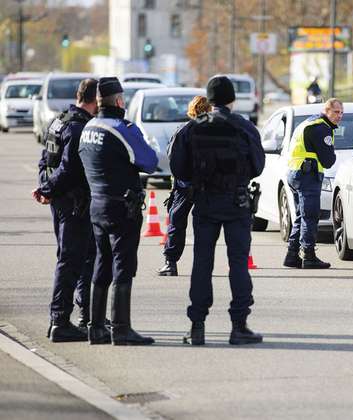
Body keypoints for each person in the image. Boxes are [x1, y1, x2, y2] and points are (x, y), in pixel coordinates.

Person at [169, 75, 265, 346]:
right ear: (232, 99)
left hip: (205, 201)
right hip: (237, 202)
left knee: (202, 264)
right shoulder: (244, 127)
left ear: (208, 100)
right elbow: (258, 167)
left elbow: (177, 168)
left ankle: (197, 327)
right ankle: (239, 326)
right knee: (238, 264)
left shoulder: (192, 128)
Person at [78, 77, 159, 345]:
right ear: (120, 101)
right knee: (123, 266)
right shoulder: (121, 128)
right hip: (122, 207)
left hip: (96, 205)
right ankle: (121, 329)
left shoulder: (89, 126)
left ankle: (96, 327)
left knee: (102, 265)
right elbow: (149, 162)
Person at [32, 78, 98, 342]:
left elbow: (44, 161)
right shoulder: (79, 126)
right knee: (71, 260)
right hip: (73, 203)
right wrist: (48, 190)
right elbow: (70, 169)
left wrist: (45, 188)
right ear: (96, 100)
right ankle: (60, 321)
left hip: (61, 201)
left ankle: (85, 312)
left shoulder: (58, 120)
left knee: (80, 257)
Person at [283, 98, 341, 270]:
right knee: (310, 216)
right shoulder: (321, 128)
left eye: (341, 112)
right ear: (327, 110)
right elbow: (329, 160)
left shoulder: (309, 122)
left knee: (301, 216)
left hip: (295, 173)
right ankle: (308, 256)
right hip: (308, 174)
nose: (340, 116)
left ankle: (292, 255)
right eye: (336, 112)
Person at [158, 96, 210, 276]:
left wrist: (184, 180)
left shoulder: (183, 131)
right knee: (206, 226)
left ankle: (170, 263)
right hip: (209, 187)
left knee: (177, 223)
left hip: (185, 186)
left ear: (191, 110)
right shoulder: (216, 131)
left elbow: (174, 160)